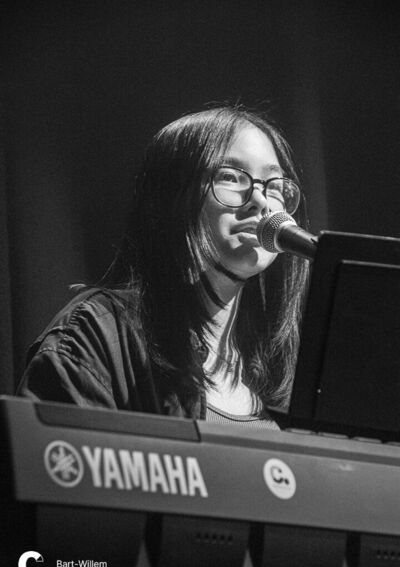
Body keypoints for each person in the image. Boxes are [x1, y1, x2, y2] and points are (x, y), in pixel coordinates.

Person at [17, 105, 309, 429]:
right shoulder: (97, 335)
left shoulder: (290, 364)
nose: (261, 201)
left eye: (274, 185)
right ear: (172, 198)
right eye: (230, 177)